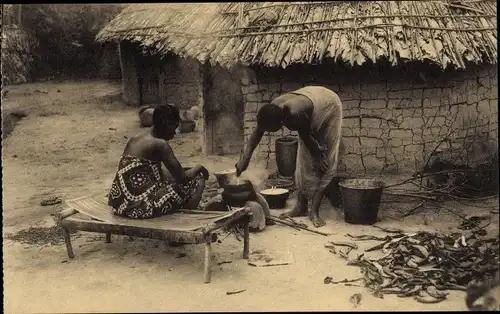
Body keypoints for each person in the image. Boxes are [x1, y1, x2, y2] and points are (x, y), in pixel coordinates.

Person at [235, 86, 343, 228]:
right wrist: (245, 158)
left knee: (326, 160)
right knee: (303, 161)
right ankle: (301, 207)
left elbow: (307, 137)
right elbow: (257, 132)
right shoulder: (271, 110)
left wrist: (318, 155)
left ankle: (314, 212)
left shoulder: (294, 114)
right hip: (310, 102)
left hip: (328, 106)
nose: (266, 131)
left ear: (281, 124)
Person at [108, 104, 209, 219]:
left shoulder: (136, 138)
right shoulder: (160, 144)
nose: (175, 132)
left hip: (119, 203)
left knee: (170, 175)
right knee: (197, 178)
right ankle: (190, 217)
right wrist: (199, 167)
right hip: (138, 207)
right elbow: (182, 178)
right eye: (174, 127)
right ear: (166, 125)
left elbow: (150, 171)